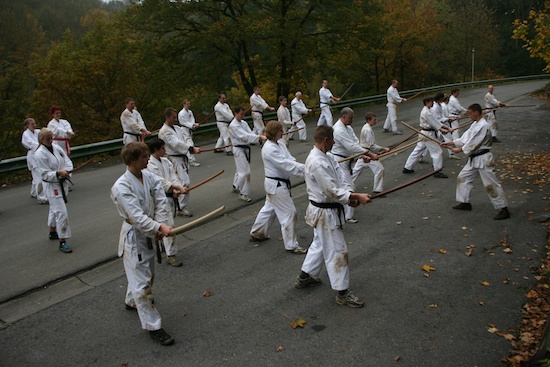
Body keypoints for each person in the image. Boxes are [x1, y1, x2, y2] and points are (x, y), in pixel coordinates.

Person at [295, 125, 371, 308]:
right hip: (324, 213)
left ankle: (305, 276)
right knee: (338, 251)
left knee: (320, 244)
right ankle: (342, 292)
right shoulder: (316, 162)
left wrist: (350, 195)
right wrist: (354, 197)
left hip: (330, 208)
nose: (335, 142)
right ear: (326, 140)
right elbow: (331, 191)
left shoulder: (328, 157)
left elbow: (341, 179)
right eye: (332, 140)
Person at [110, 141, 175, 346]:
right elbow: (136, 217)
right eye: (144, 157)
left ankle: (132, 301)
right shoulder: (121, 187)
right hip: (134, 237)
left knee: (147, 273)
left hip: (150, 231)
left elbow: (160, 196)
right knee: (142, 285)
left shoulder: (147, 175)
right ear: (132, 160)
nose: (148, 159)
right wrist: (156, 228)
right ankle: (153, 326)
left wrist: (160, 224)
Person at [441, 103, 510, 220]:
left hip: (483, 159)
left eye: (470, 113)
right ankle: (464, 202)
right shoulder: (475, 124)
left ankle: (503, 208)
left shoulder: (483, 125)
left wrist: (460, 149)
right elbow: (466, 138)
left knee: (491, 184)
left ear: (476, 113)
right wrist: (452, 143)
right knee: (463, 177)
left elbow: (474, 143)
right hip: (474, 158)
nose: (469, 115)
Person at [248, 121, 306, 254]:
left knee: (269, 209)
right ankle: (291, 245)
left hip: (276, 185)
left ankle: (257, 232)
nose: (282, 132)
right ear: (274, 132)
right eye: (280, 130)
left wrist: (303, 167)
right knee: (289, 213)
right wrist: (307, 169)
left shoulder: (280, 144)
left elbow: (290, 159)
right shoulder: (269, 148)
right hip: (276, 185)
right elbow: (285, 164)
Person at [147, 138, 190, 267]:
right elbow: (159, 181)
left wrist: (176, 188)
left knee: (164, 224)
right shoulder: (150, 164)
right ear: (155, 150)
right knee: (168, 225)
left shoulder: (166, 161)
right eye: (162, 148)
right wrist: (175, 188)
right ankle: (171, 255)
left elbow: (173, 177)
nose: (165, 151)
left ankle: (163, 246)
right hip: (158, 199)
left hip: (169, 196)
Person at [330, 107, 376, 223]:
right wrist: (369, 154)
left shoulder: (348, 128)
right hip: (339, 161)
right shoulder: (338, 130)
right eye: (351, 118)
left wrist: (363, 156)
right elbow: (351, 147)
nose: (352, 120)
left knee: (342, 187)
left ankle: (341, 212)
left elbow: (355, 143)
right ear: (344, 117)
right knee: (349, 187)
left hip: (348, 159)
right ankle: (347, 215)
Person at [34, 128, 74, 253]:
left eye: (51, 138)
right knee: (61, 212)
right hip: (52, 186)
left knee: (54, 208)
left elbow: (66, 160)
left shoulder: (56, 148)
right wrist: (58, 173)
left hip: (62, 182)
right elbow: (45, 174)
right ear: (41, 140)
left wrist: (67, 171)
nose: (51, 141)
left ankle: (52, 231)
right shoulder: (39, 154)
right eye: (48, 139)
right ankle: (63, 241)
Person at [159, 107, 201, 217]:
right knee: (183, 183)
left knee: (182, 183)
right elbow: (176, 143)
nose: (175, 119)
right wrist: (190, 149)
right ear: (167, 117)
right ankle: (180, 207)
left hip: (182, 157)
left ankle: (178, 205)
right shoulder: (164, 131)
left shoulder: (177, 128)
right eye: (173, 117)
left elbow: (184, 140)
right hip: (173, 159)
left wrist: (191, 147)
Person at [402, 97, 451, 178]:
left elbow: (435, 122)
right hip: (428, 134)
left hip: (425, 133)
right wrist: (446, 128)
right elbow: (435, 123)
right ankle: (437, 171)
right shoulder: (426, 112)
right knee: (437, 152)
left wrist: (444, 128)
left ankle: (407, 167)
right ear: (427, 102)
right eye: (431, 102)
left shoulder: (427, 110)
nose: (432, 103)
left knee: (418, 150)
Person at [228, 105, 267, 202]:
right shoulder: (233, 125)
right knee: (246, 172)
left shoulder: (244, 123)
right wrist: (259, 137)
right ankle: (243, 193)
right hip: (238, 149)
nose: (243, 116)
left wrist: (259, 137)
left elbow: (250, 133)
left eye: (244, 114)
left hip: (244, 149)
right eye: (241, 114)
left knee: (240, 169)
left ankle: (236, 185)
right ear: (235, 114)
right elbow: (244, 136)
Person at [351, 112, 389, 194]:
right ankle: (377, 190)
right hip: (366, 153)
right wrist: (383, 149)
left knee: (355, 171)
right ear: (369, 120)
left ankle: (346, 185)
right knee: (380, 170)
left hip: (363, 153)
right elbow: (372, 146)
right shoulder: (368, 130)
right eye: (374, 120)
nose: (376, 121)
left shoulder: (366, 127)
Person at [21, 118, 48, 204]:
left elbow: (44, 136)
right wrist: (42, 145)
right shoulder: (26, 134)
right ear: (27, 126)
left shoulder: (38, 132)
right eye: (32, 124)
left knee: (36, 176)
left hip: (40, 154)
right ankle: (41, 197)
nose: (34, 125)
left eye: (35, 123)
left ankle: (34, 192)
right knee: (38, 177)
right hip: (33, 156)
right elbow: (31, 144)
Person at [178, 99, 200, 167]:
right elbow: (184, 122)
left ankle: (187, 159)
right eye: (187, 104)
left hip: (189, 130)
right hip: (184, 130)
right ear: (184, 104)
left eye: (189, 104)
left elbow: (192, 119)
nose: (188, 105)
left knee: (187, 146)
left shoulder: (190, 112)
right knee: (190, 145)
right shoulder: (181, 113)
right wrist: (192, 125)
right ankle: (191, 160)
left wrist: (193, 125)